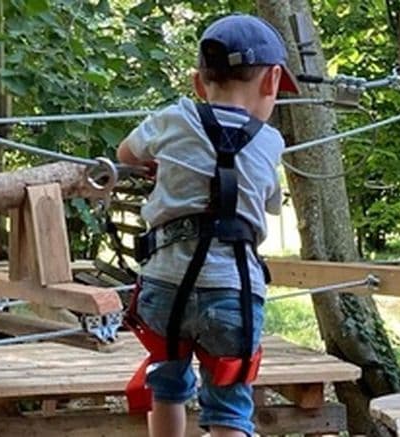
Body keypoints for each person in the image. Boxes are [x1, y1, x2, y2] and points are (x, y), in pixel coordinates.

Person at [117, 14, 297, 437]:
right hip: (234, 292)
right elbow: (270, 204)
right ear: (271, 82)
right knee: (230, 400)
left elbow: (125, 154)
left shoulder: (172, 119)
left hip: (165, 288)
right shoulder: (270, 142)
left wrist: (161, 165)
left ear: (199, 83)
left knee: (167, 387)